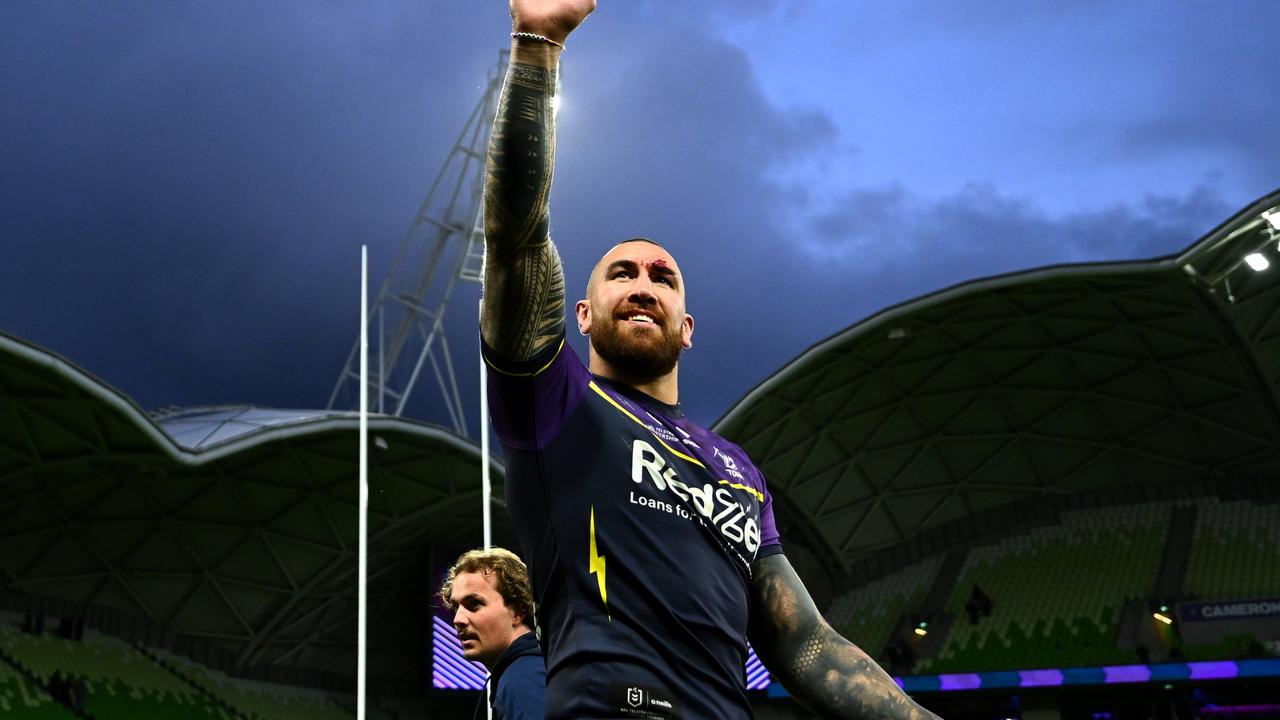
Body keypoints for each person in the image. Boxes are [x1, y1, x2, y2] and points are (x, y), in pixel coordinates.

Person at [480, 2, 942, 718]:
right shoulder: (557, 404)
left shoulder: (738, 470)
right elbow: (516, 238)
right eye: (623, 274)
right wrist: (538, 47)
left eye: (662, 278)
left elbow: (807, 645)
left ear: (687, 327)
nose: (642, 286)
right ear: (582, 314)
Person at [440, 548, 547, 720]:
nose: (457, 619)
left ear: (518, 610)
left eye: (474, 604)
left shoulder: (524, 678)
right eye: (455, 607)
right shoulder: (524, 671)